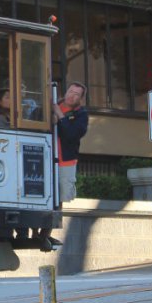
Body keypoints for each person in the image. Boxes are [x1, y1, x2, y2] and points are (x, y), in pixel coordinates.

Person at [47, 81, 89, 248]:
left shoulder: (81, 115)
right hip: (46, 157)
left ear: (81, 99)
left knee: (59, 198)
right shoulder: (50, 105)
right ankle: (34, 233)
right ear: (65, 91)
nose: (72, 96)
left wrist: (60, 116)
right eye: (71, 91)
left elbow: (72, 135)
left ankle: (47, 233)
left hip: (65, 161)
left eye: (76, 94)